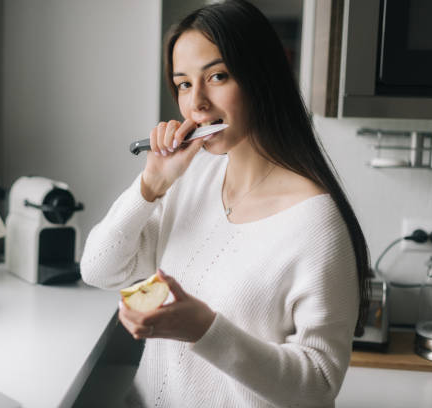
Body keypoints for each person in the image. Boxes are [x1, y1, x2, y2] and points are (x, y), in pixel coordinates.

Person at [80, 1, 370, 407]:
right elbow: (98, 269)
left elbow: (318, 387)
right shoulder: (191, 179)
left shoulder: (316, 225)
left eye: (217, 76)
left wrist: (204, 330)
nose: (196, 103)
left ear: (260, 79)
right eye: (183, 84)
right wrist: (150, 185)